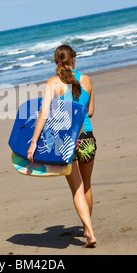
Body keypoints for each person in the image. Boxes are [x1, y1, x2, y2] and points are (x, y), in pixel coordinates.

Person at [27, 45, 97, 248]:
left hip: (67, 142)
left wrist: (33, 143)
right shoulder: (87, 80)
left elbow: (44, 114)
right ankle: (86, 228)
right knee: (87, 185)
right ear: (74, 59)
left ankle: (90, 232)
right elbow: (90, 111)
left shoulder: (53, 83)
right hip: (87, 138)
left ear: (56, 61)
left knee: (77, 188)